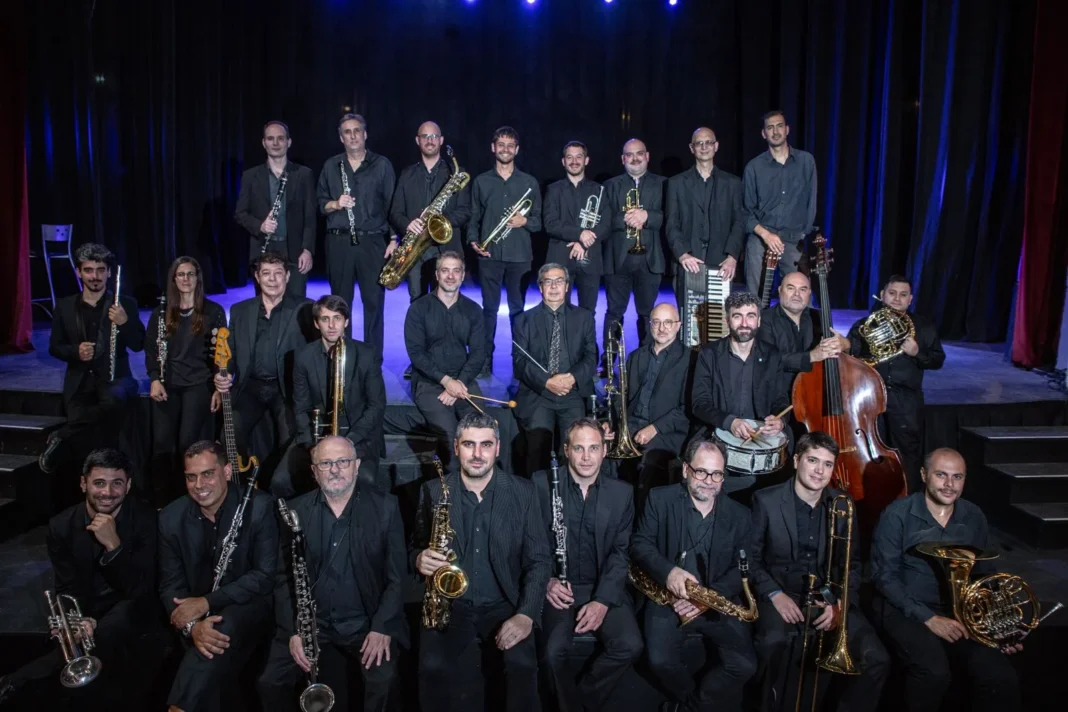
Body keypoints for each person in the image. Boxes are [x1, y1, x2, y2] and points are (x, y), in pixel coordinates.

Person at [411, 413, 551, 712]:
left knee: (522, 667)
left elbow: (539, 560)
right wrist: (419, 557)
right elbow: (415, 545)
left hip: (505, 605)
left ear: (497, 448)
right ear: (456, 446)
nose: (477, 454)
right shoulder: (433, 491)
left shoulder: (523, 492)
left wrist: (526, 615)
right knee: (431, 668)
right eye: (469, 445)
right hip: (450, 606)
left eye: (485, 445)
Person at [0, 449, 161, 709]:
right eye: (99, 482)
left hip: (130, 608)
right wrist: (73, 621)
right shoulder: (61, 526)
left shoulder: (147, 520)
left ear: (128, 485)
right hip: (88, 609)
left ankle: (14, 682)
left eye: (116, 483)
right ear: (83, 483)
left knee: (123, 618)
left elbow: (140, 589)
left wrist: (114, 546)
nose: (107, 492)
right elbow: (66, 586)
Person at [258, 436, 407, 712]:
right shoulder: (293, 512)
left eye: (343, 461)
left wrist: (381, 627)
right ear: (314, 471)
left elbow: (397, 578)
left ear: (357, 465)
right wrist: (293, 631)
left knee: (382, 682)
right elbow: (283, 579)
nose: (335, 469)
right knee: (271, 683)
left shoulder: (386, 508)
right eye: (326, 463)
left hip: (365, 623)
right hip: (311, 626)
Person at [870, 448, 1021, 712]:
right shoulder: (897, 515)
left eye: (957, 477)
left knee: (999, 675)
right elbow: (884, 577)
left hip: (959, 612)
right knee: (933, 672)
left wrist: (999, 627)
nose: (949, 485)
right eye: (941, 475)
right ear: (924, 475)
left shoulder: (974, 516)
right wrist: (928, 618)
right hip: (905, 609)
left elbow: (985, 576)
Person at [749, 432, 889, 712]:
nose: (820, 471)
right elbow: (750, 559)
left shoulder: (843, 505)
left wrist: (839, 603)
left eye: (827, 464)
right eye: (813, 461)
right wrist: (774, 594)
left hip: (828, 600)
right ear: (797, 460)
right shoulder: (765, 500)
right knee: (771, 643)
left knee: (877, 660)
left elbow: (852, 565)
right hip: (782, 596)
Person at [631, 438, 757, 712]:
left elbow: (746, 567)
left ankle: (690, 708)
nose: (709, 481)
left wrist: (708, 599)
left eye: (717, 474)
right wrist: (668, 572)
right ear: (686, 470)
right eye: (701, 472)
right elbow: (640, 544)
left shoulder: (741, 515)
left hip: (715, 600)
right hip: (669, 598)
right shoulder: (659, 499)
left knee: (745, 665)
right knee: (659, 659)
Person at [159, 440, 278, 712]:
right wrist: (193, 627)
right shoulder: (170, 518)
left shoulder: (259, 506)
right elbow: (170, 585)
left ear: (226, 472)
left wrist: (207, 602)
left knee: (225, 625)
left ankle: (178, 707)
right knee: (212, 643)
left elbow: (264, 576)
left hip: (251, 607)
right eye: (191, 477)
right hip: (197, 614)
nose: (199, 485)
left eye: (207, 474)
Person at [533, 418, 642, 712]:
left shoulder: (622, 494)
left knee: (630, 645)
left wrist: (603, 601)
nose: (586, 457)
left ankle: (579, 704)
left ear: (604, 451)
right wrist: (547, 582)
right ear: (566, 450)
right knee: (552, 653)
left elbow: (621, 553)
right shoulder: (541, 485)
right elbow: (531, 545)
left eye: (593, 448)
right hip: (559, 588)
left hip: (602, 586)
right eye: (578, 448)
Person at [42, 243, 145, 474]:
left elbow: (139, 344)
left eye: (100, 270)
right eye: (88, 270)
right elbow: (54, 348)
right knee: (86, 435)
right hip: (79, 380)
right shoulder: (65, 306)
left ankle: (63, 434)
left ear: (109, 272)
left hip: (117, 378)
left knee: (112, 398)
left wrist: (124, 322)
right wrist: (75, 352)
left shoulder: (125, 303)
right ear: (78, 272)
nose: (95, 276)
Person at [213, 253, 313, 474]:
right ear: (257, 277)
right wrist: (223, 375)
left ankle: (281, 491)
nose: (272, 279)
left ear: (287, 276)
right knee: (230, 433)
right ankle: (245, 485)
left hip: (285, 387)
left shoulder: (305, 308)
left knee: (291, 437)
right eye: (266, 273)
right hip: (251, 385)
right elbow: (230, 352)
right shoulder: (240, 310)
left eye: (278, 273)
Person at [278, 295, 386, 497]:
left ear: (346, 321)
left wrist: (349, 441)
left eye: (337, 318)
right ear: (316, 323)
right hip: (316, 435)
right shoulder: (302, 356)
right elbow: (300, 408)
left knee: (366, 481)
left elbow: (376, 406)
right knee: (280, 481)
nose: (332, 325)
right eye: (325, 319)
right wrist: (312, 445)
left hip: (357, 433)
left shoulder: (367, 354)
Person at [847, 275, 945, 493]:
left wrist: (917, 352)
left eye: (903, 295)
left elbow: (938, 360)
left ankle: (907, 500)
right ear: (882, 295)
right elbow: (850, 356)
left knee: (908, 455)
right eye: (892, 293)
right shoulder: (865, 325)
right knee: (870, 452)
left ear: (910, 299)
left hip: (906, 401)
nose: (897, 299)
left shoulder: (923, 326)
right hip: (871, 399)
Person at [145, 256, 227, 504]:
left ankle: (187, 500)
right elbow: (151, 349)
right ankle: (163, 501)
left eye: (191, 274)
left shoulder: (213, 312)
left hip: (198, 385)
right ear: (173, 279)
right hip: (167, 385)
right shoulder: (161, 313)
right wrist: (154, 379)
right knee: (162, 446)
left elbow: (221, 354)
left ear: (197, 278)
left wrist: (217, 386)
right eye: (181, 274)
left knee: (187, 444)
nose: (186, 279)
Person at [691, 291, 791, 490]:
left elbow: (781, 400)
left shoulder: (772, 355)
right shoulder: (709, 354)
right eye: (738, 316)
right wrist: (730, 422)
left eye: (751, 316)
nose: (744, 323)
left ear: (759, 321)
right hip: (717, 433)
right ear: (728, 321)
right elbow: (698, 404)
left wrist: (780, 421)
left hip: (761, 436)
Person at [317, 113, 397, 355]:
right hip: (339, 241)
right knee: (340, 303)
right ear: (341, 138)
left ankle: (372, 359)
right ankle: (343, 356)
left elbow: (392, 205)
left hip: (372, 241)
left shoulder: (382, 164)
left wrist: (394, 239)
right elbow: (320, 203)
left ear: (365, 134)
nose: (352, 136)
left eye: (356, 131)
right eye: (347, 132)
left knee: (374, 302)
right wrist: (335, 203)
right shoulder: (331, 165)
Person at [466, 126, 543, 377]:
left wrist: (525, 222)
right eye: (501, 144)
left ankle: (519, 364)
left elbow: (540, 221)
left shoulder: (529, 182)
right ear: (493, 147)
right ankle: (484, 362)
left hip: (520, 257)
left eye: (510, 145)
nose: (506, 149)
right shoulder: (481, 181)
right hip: (490, 256)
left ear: (517, 150)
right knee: (488, 311)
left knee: (518, 312)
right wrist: (473, 241)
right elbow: (473, 217)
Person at [512, 263, 598, 475]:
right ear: (540, 287)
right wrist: (546, 382)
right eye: (548, 281)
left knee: (574, 451)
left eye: (559, 281)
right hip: (539, 394)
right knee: (537, 452)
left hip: (573, 393)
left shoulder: (584, 318)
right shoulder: (523, 320)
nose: (553, 286)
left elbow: (591, 356)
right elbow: (520, 362)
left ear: (567, 286)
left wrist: (572, 378)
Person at [404, 251, 487, 471]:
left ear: (462, 276)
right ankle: (454, 494)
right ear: (437, 275)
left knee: (479, 430)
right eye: (445, 270)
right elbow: (416, 354)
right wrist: (445, 381)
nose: (450, 276)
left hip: (463, 381)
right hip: (429, 383)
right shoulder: (418, 309)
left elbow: (479, 353)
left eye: (456, 271)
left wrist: (458, 382)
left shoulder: (473, 310)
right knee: (451, 436)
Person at [388, 120, 472, 305]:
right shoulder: (406, 174)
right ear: (418, 141)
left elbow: (465, 211)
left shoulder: (456, 174)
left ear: (441, 140)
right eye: (425, 136)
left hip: (447, 249)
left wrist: (438, 222)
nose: (430, 140)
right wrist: (407, 223)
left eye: (434, 136)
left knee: (447, 304)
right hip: (415, 249)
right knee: (416, 302)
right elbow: (395, 212)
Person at [234, 120, 317, 297]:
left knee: (295, 306)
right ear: (264, 143)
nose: (276, 143)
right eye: (270, 139)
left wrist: (307, 249)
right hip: (264, 250)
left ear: (289, 142)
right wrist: (260, 226)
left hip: (294, 252)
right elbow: (240, 214)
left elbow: (310, 217)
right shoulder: (250, 176)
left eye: (280, 138)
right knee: (265, 307)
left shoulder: (304, 175)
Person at [619, 302, 693, 495]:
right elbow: (623, 397)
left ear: (678, 326)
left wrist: (655, 428)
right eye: (656, 322)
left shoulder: (691, 360)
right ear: (649, 324)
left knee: (645, 468)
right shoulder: (636, 356)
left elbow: (689, 407)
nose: (662, 329)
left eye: (668, 323)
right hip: (633, 425)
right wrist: (614, 424)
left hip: (666, 432)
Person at [666, 127, 745, 306]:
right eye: (698, 143)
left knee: (717, 321)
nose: (704, 147)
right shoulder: (676, 183)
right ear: (691, 148)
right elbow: (671, 223)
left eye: (708, 142)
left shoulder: (732, 183)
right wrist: (683, 255)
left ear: (716, 146)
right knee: (689, 324)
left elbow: (739, 222)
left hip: (722, 262)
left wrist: (732, 257)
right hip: (688, 261)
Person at [742, 110, 817, 296]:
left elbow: (811, 200)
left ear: (787, 129)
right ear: (763, 134)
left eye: (779, 126)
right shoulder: (754, 167)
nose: (775, 131)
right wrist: (766, 235)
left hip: (792, 238)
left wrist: (802, 233)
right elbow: (745, 211)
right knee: (756, 296)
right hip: (761, 238)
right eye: (770, 127)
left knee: (799, 297)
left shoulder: (806, 161)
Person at [603, 139, 667, 351]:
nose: (635, 158)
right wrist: (625, 218)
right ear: (623, 159)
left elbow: (671, 218)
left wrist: (647, 215)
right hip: (618, 260)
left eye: (639, 153)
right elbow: (602, 221)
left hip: (650, 260)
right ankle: (609, 359)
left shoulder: (664, 184)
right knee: (614, 311)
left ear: (647, 156)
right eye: (629, 155)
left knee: (648, 312)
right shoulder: (610, 186)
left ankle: (647, 356)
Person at [543, 140, 610, 317]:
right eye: (569, 157)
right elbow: (550, 223)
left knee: (588, 312)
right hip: (560, 258)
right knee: (558, 310)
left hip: (590, 259)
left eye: (579, 157)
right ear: (563, 161)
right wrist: (580, 234)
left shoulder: (599, 190)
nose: (574, 161)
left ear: (586, 160)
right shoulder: (553, 190)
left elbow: (605, 224)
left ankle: (587, 346)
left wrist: (584, 243)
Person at [757, 271, 846, 381]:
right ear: (780, 291)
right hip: (778, 391)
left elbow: (842, 348)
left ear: (809, 293)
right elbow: (767, 359)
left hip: (813, 389)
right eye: (791, 288)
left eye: (802, 289)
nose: (797, 294)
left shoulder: (819, 317)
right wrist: (811, 356)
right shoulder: (764, 319)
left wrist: (844, 343)